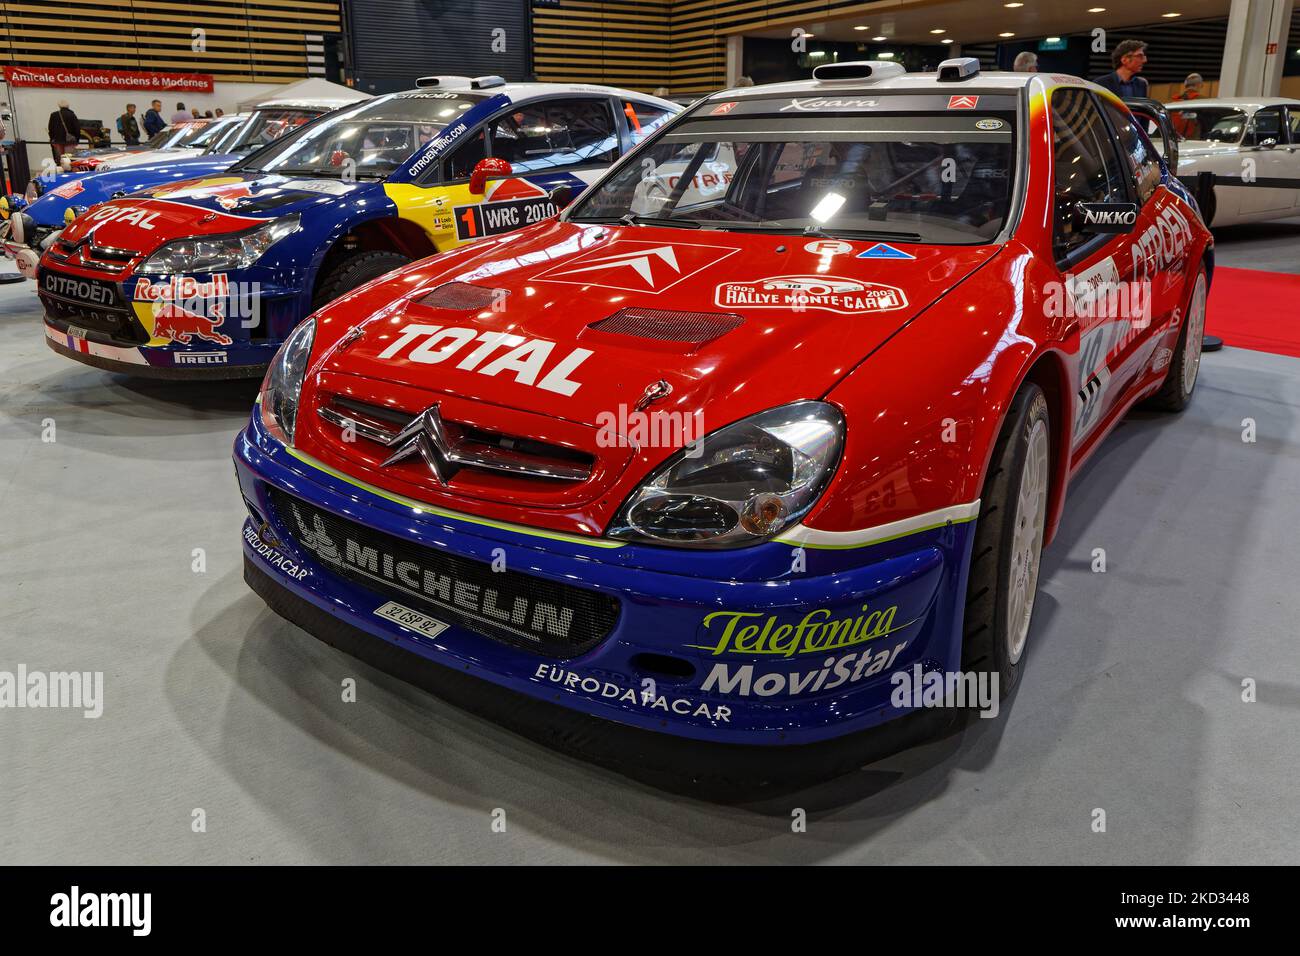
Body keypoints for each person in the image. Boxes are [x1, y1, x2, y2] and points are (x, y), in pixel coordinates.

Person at [1169, 73, 1203, 138]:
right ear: (1199, 85)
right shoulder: (1202, 101)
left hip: (1172, 138)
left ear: (1185, 85)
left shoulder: (1173, 101)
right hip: (1191, 140)